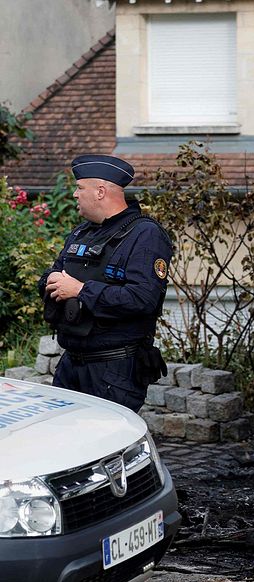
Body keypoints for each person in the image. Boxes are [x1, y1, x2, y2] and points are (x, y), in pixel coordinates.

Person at [38, 154, 172, 412]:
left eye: (79, 187)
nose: (75, 194)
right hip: (71, 365)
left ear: (100, 191)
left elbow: (143, 298)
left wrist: (80, 290)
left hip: (113, 371)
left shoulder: (144, 234)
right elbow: (52, 275)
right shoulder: (82, 232)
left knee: (103, 448)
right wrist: (51, 280)